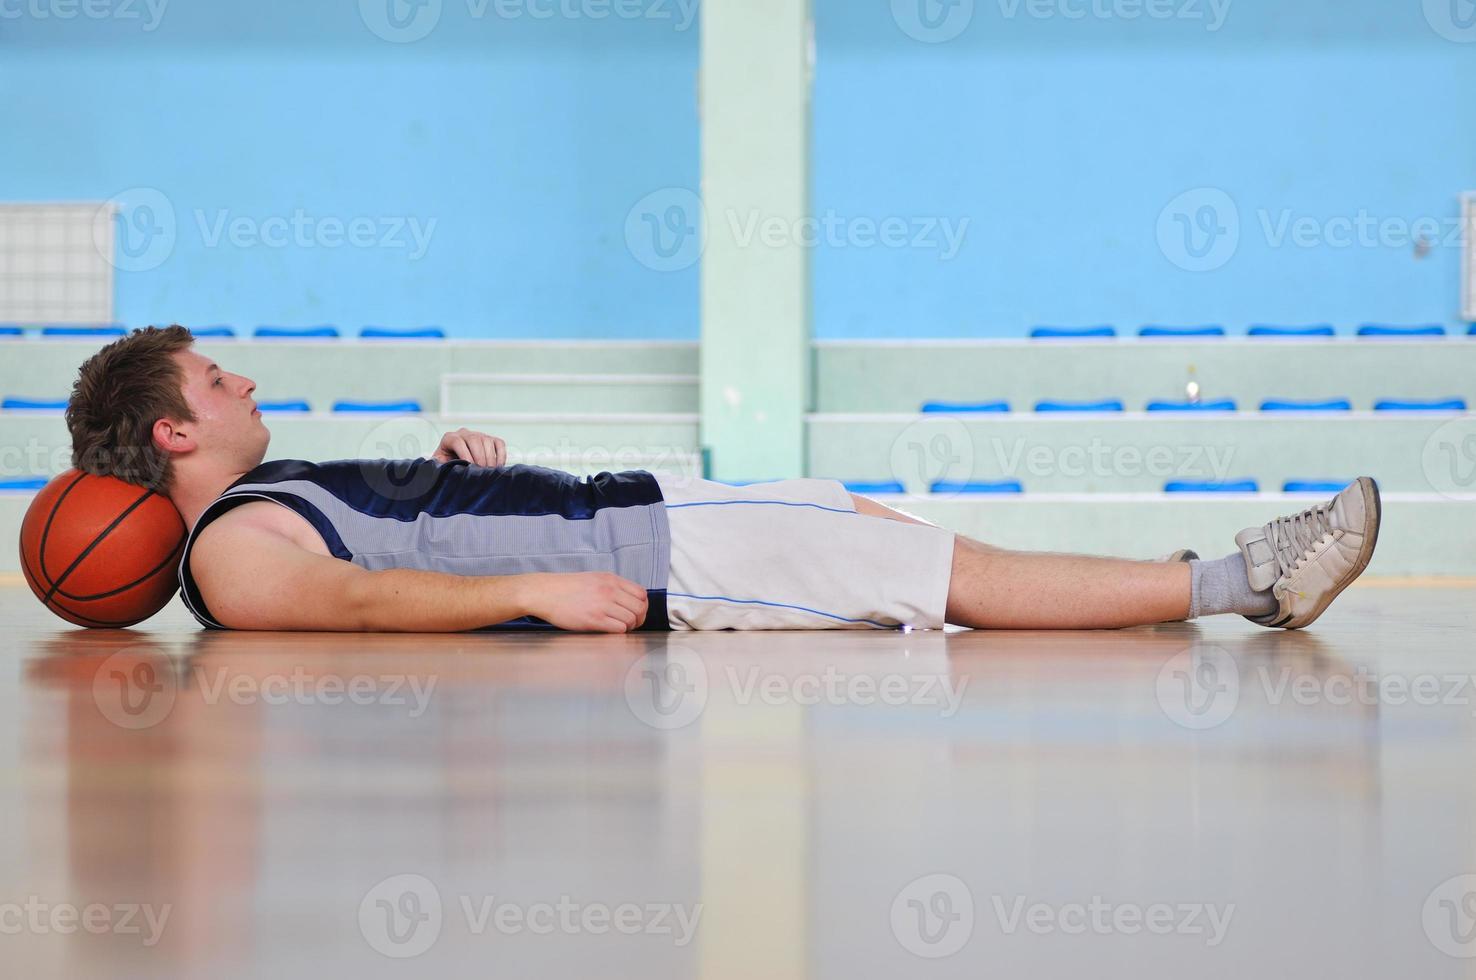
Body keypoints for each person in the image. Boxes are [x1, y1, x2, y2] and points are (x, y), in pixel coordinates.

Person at [63, 326, 1380, 634]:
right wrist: (540, 587)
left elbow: (378, 559)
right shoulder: (230, 546)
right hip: (646, 558)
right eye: (212, 379)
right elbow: (339, 609)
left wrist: (452, 479)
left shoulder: (272, 486)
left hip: (640, 524)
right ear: (172, 434)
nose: (236, 381)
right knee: (944, 580)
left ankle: (1231, 577)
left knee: (889, 533)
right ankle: (1245, 578)